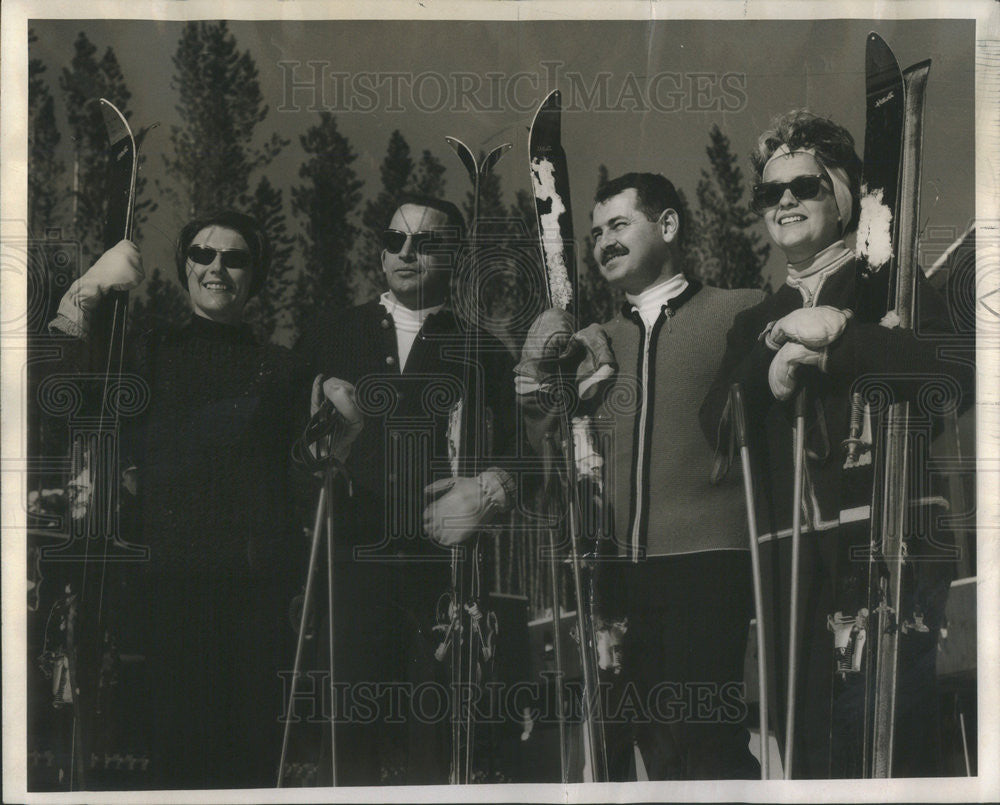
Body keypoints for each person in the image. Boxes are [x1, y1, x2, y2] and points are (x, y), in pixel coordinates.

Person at [699, 110, 973, 777]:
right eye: (771, 192)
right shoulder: (753, 322)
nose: (785, 200)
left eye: (805, 186)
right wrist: (773, 360)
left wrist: (839, 345)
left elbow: (950, 376)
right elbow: (720, 423)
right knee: (808, 744)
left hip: (886, 539)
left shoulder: (889, 284)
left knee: (887, 742)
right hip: (793, 557)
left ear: (843, 197)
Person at [518, 172, 765, 780]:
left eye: (619, 225)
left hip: (709, 559)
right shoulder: (599, 343)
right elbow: (540, 443)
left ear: (669, 226)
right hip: (620, 572)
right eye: (595, 233)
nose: (603, 241)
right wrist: (539, 370)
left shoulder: (740, 310)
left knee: (707, 738)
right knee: (648, 745)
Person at [47, 211, 305, 789]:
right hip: (170, 590)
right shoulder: (147, 354)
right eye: (203, 256)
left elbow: (307, 471)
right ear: (185, 267)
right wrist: (84, 296)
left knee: (250, 763)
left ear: (255, 276)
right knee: (176, 761)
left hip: (252, 594)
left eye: (235, 259)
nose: (218, 268)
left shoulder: (282, 368)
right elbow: (62, 398)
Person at [294, 194, 519, 785]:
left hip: (442, 576)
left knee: (439, 741)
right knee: (347, 746)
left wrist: (491, 489)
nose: (406, 252)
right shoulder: (332, 334)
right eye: (395, 239)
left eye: (426, 243)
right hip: (352, 567)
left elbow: (523, 456)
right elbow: (284, 448)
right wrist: (317, 451)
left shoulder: (482, 352)